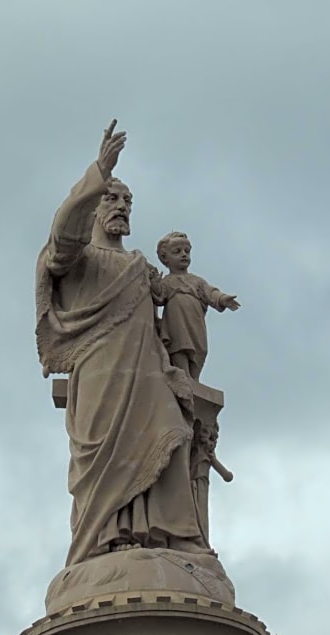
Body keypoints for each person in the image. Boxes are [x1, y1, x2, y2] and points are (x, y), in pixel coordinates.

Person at [36, 120, 211, 566]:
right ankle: (108, 538)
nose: (121, 207)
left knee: (171, 434)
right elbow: (62, 237)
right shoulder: (78, 259)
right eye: (111, 198)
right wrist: (99, 173)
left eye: (127, 201)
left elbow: (177, 296)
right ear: (93, 206)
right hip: (100, 376)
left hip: (149, 374)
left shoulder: (138, 264)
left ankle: (174, 534)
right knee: (106, 462)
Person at [155, 231, 240, 381]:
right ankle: (183, 375)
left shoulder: (197, 281)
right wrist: (154, 284)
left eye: (187, 251)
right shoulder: (167, 282)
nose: (183, 255)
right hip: (176, 322)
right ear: (165, 258)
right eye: (177, 252)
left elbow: (211, 292)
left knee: (200, 349)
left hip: (195, 321)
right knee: (179, 346)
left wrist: (222, 299)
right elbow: (159, 297)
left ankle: (194, 379)